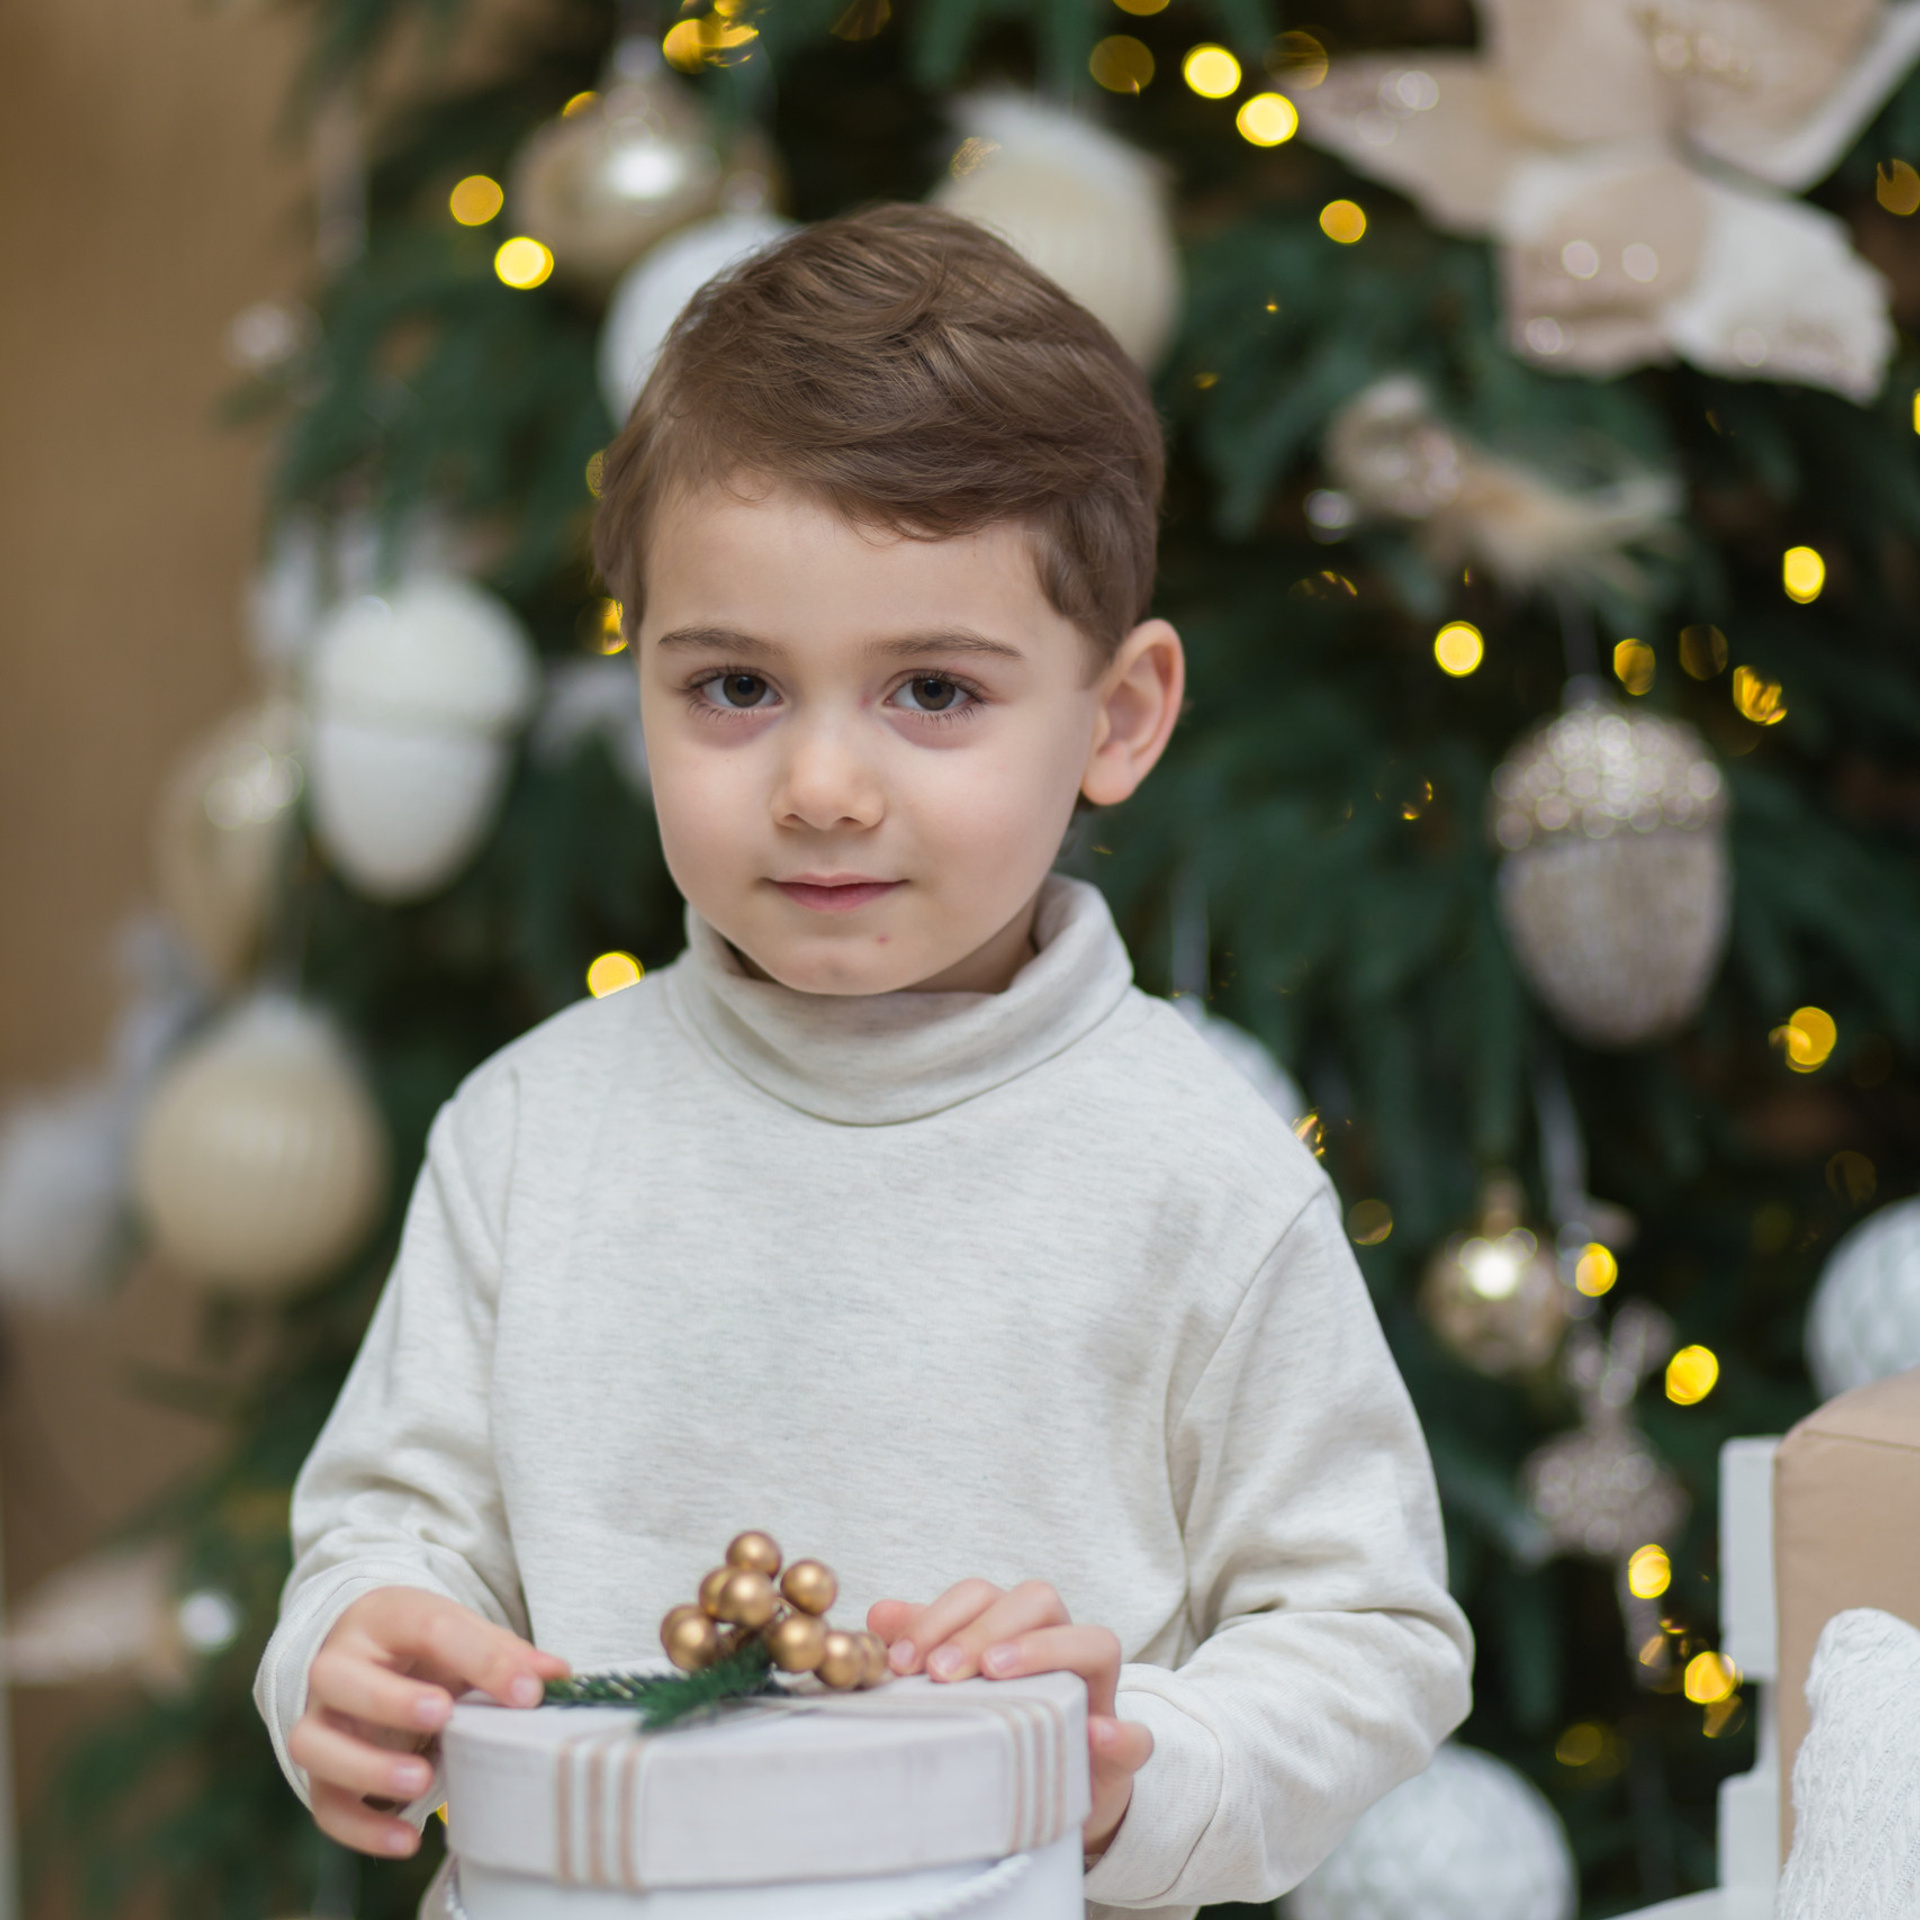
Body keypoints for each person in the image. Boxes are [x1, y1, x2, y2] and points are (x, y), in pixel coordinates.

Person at [256, 204, 1472, 1919]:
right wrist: (357, 1647)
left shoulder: (1202, 1169)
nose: (822, 788)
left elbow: (1365, 1635)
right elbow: (390, 1533)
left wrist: (1137, 1767)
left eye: (933, 693)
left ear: (1119, 716)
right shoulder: (528, 1134)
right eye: (737, 689)